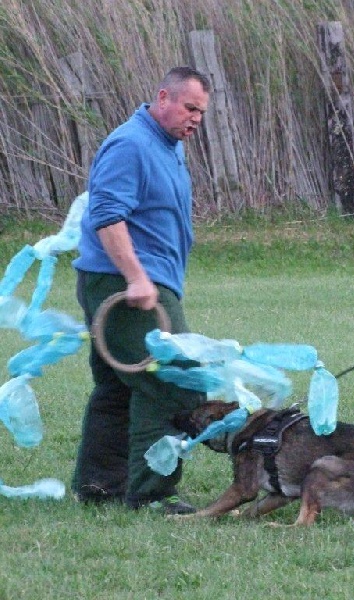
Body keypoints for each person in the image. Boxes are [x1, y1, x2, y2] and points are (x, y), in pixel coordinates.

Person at [71, 66, 211, 515]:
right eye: (190, 108)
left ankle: (99, 485)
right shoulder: (131, 144)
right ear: (163, 96)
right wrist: (136, 276)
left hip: (136, 280)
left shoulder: (167, 145)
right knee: (176, 383)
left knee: (119, 386)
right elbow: (106, 215)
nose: (195, 120)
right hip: (126, 284)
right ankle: (152, 494)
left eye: (202, 113)